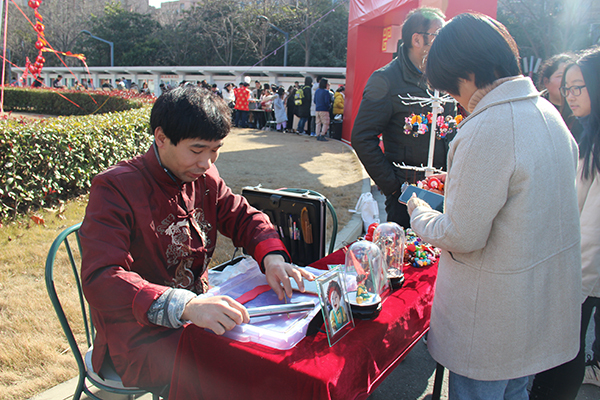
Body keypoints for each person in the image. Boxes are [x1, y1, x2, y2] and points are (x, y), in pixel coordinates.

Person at [79, 86, 314, 393]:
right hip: (140, 338)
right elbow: (101, 278)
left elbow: (242, 216)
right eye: (197, 150)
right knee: (236, 373)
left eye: (215, 150)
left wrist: (272, 257)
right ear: (161, 138)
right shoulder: (115, 188)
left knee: (270, 357)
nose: (206, 162)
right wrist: (185, 305)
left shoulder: (204, 177)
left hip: (200, 313)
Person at [406, 13, 581, 400]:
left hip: (489, 320)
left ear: (467, 73)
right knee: (515, 391)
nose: (457, 100)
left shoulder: (488, 127)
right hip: (531, 310)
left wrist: (419, 211)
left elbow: (461, 234)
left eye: (452, 89)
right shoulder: (549, 115)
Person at [529, 46, 600, 399]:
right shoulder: (588, 131)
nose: (570, 95)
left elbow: (593, 226)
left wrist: (575, 281)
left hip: (584, 269)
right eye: (567, 87)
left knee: (564, 347)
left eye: (578, 87)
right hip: (578, 264)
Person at [351, 7, 453, 229]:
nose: (445, 41)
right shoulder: (386, 80)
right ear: (417, 40)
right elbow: (362, 137)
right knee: (407, 249)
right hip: (407, 195)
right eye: (438, 35)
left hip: (446, 191)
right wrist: (394, 187)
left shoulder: (445, 77)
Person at [537, 53, 583, 143]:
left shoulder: (581, 111)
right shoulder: (536, 109)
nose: (566, 81)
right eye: (561, 76)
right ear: (546, 81)